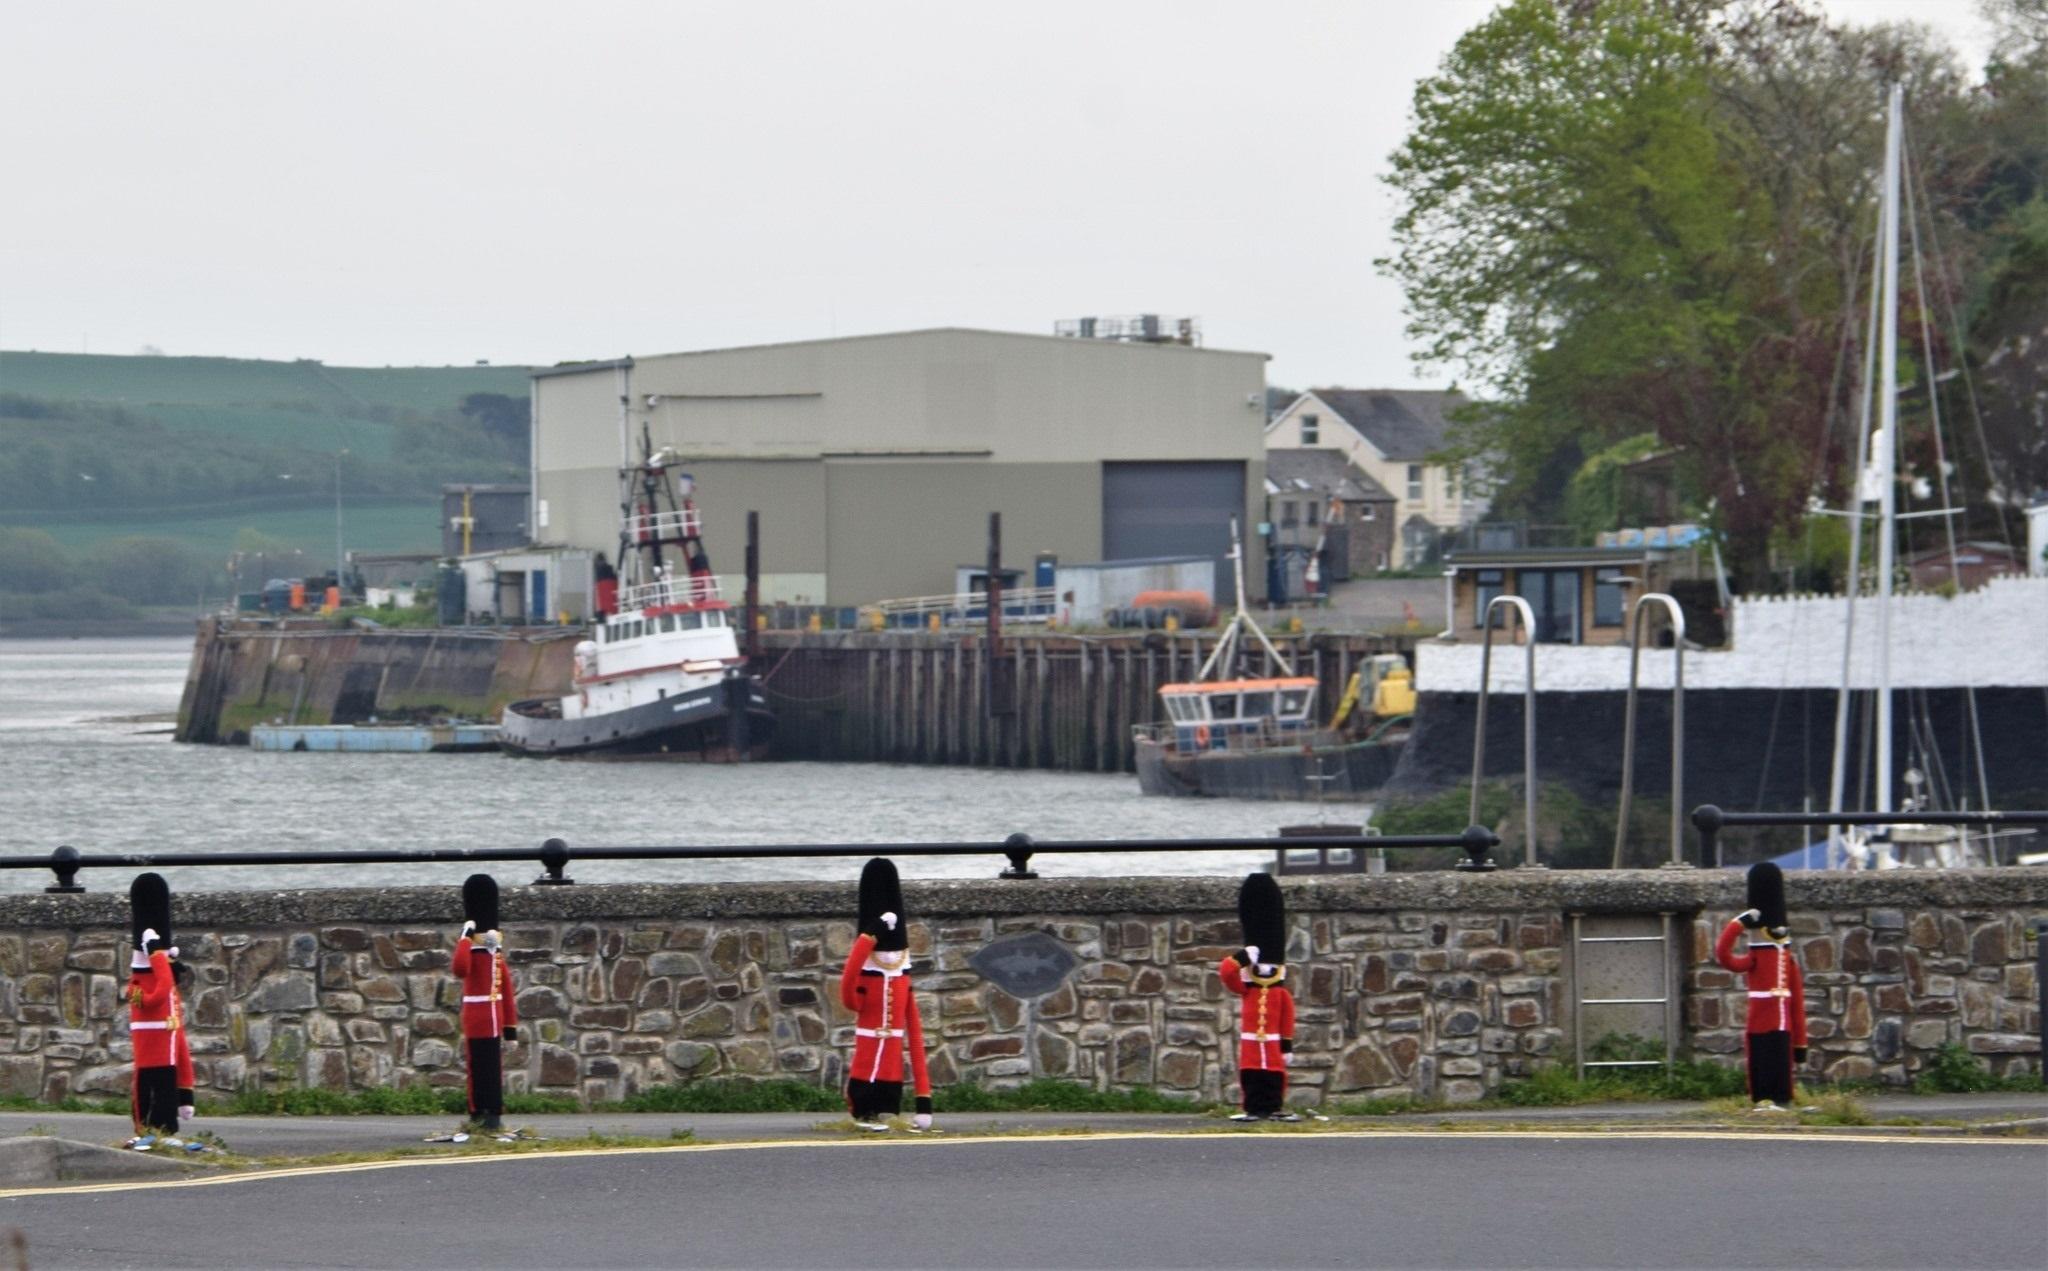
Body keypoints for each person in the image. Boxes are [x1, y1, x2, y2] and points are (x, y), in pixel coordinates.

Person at [839, 858, 933, 1132]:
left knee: (891, 1077)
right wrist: (870, 935)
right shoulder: (867, 975)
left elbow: (915, 1040)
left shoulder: (902, 979)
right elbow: (847, 992)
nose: (890, 957)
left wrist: (923, 1101)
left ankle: (886, 1111)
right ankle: (863, 1112)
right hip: (867, 1051)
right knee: (865, 1077)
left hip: (892, 1066)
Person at [1715, 861, 1808, 1110]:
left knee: (1781, 1059)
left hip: (1783, 1019)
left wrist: (1801, 1043)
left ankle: (1783, 1098)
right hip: (1761, 1017)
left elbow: (1797, 1001)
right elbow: (1724, 955)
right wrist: (1738, 924)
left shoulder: (1788, 960)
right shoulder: (1755, 957)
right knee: (1762, 1057)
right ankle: (1763, 1098)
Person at [1219, 873, 1298, 1121]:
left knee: (1274, 1074)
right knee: (1252, 1075)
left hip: (1273, 1044)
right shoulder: (1247, 990)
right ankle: (1253, 1108)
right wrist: (1242, 957)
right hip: (1252, 1044)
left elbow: (1287, 1019)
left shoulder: (1280, 993)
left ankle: (1274, 1107)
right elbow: (1227, 972)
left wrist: (1286, 1045)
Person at [452, 873, 519, 1133]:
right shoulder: (472, 949)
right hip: (476, 1016)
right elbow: (460, 969)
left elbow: (507, 991)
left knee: (492, 1071)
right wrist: (466, 936)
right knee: (476, 1070)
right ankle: (478, 1115)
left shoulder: (495, 954)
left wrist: (510, 1030)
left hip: (492, 1019)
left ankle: (493, 1116)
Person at [126, 873, 183, 1148]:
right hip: (149, 1037)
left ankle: (166, 1129)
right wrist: (156, 955)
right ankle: (146, 1130)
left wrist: (187, 1095)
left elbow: (168, 992)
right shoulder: (140, 981)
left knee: (165, 1085)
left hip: (165, 1038)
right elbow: (156, 995)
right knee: (148, 1085)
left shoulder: (159, 963)